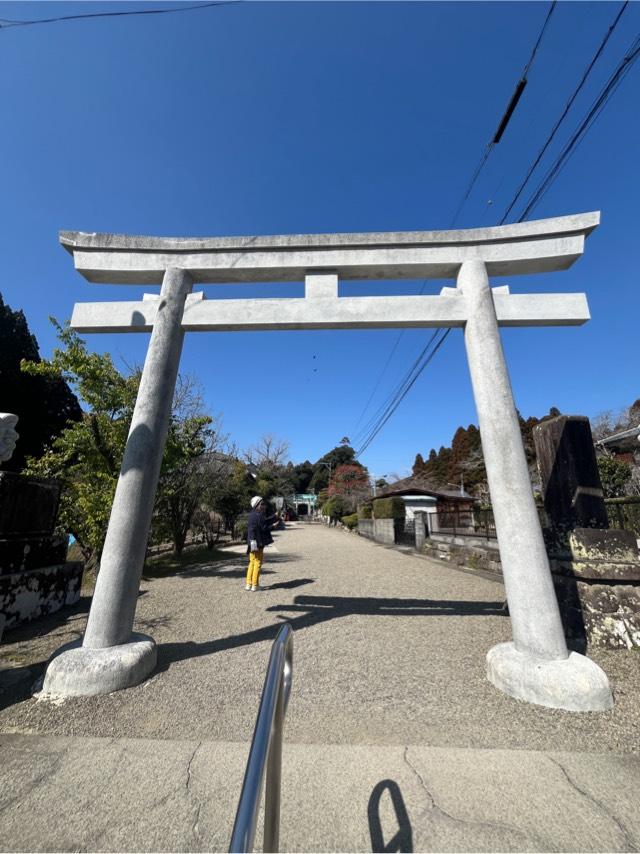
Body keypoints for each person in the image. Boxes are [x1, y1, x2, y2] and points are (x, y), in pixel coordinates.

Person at [246, 496, 280, 591]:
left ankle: (249, 583)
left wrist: (274, 517)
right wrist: (273, 526)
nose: (263, 506)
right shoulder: (259, 515)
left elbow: (263, 522)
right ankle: (255, 585)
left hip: (251, 542)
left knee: (252, 562)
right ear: (257, 505)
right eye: (262, 504)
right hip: (258, 542)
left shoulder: (252, 514)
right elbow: (264, 528)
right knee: (258, 563)